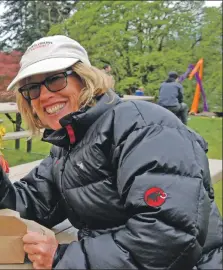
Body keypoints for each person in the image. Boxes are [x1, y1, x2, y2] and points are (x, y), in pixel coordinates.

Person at [0, 35, 222, 270]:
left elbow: (168, 237)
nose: (44, 95)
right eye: (32, 88)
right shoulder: (68, 144)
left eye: (55, 80)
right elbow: (31, 202)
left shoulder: (145, 127)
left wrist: (62, 258)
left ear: (84, 78)